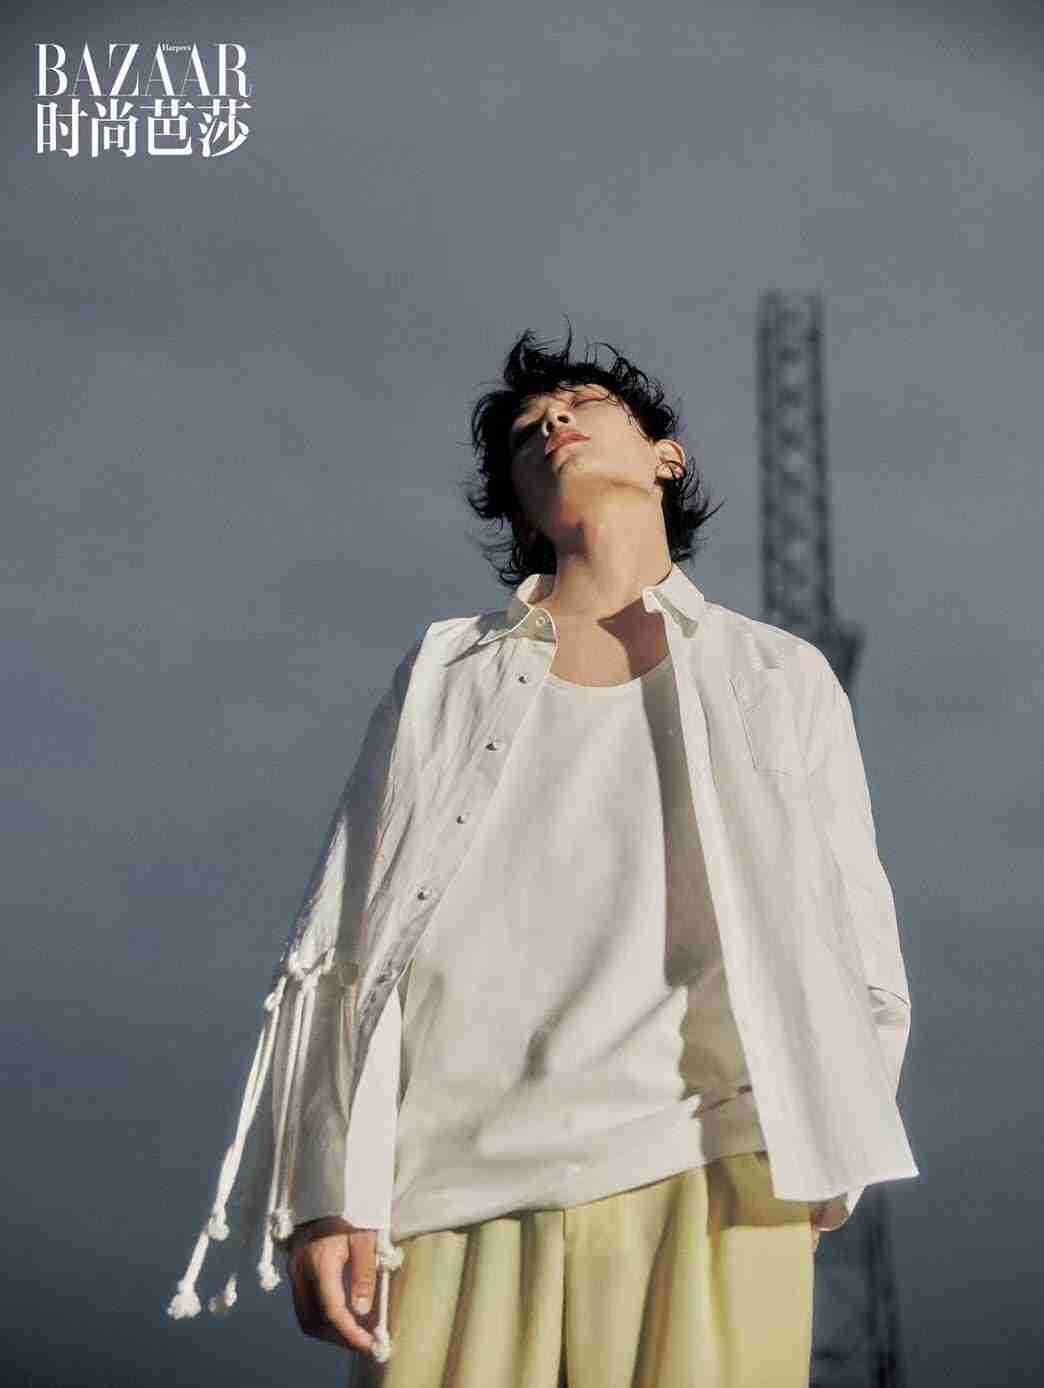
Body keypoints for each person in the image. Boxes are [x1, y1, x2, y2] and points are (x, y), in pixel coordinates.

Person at [166, 324, 917, 1388]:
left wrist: (825, 1151)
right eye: (526, 432)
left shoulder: (777, 673)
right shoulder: (445, 670)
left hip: (710, 1164)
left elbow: (855, 936)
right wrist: (332, 1192)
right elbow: (344, 934)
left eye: (580, 405)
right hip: (448, 1186)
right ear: (519, 508)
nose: (552, 421)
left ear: (666, 457)